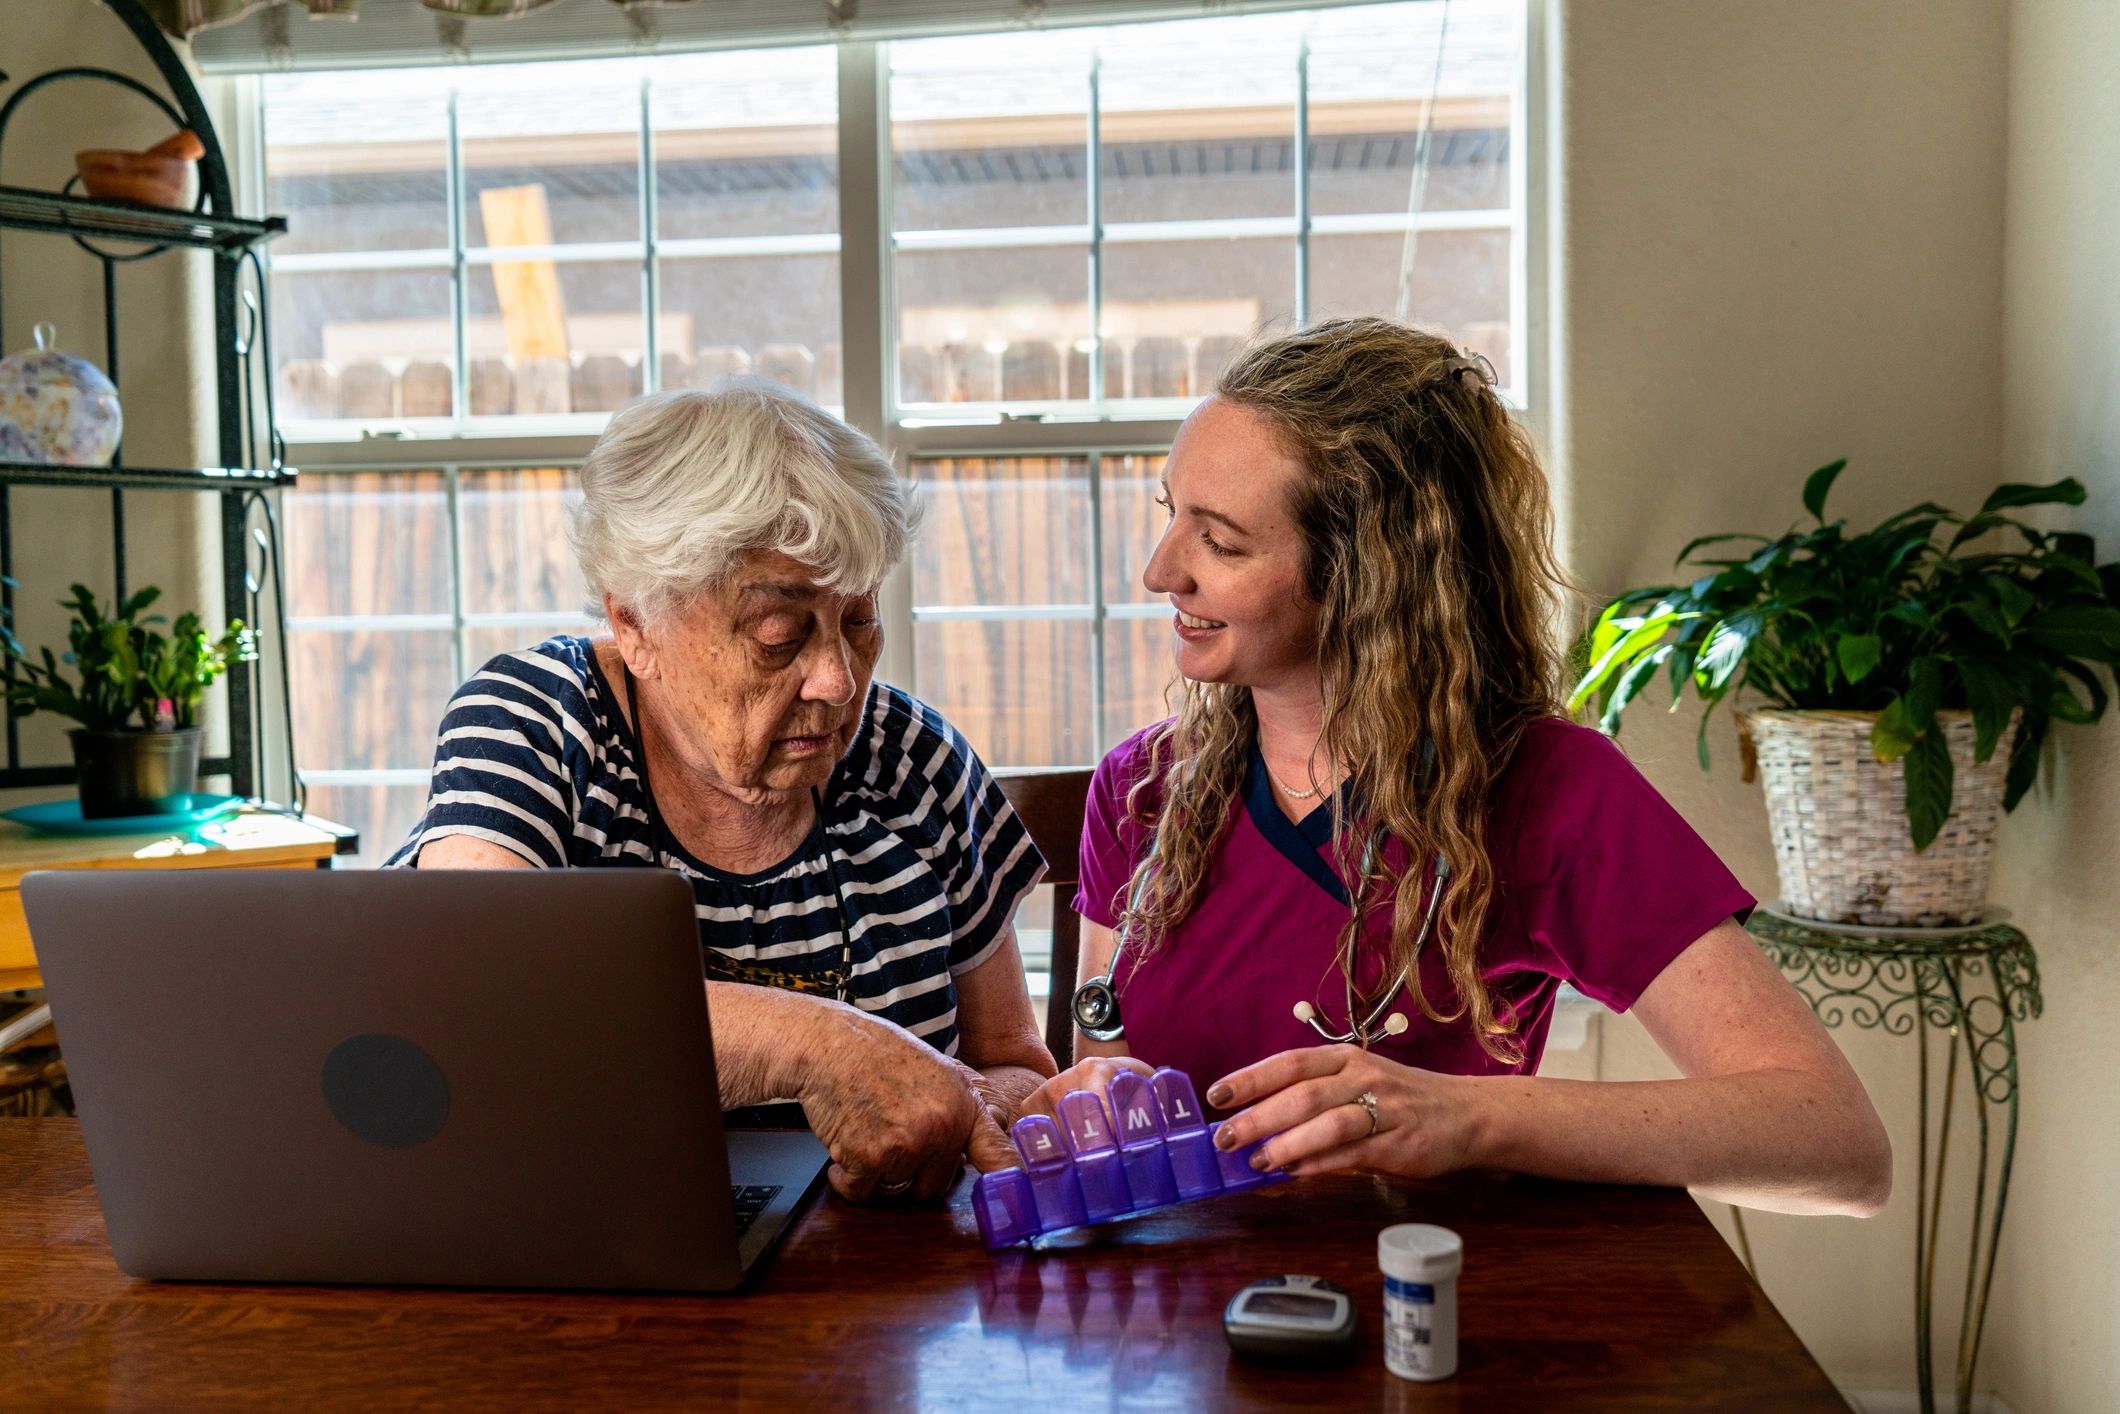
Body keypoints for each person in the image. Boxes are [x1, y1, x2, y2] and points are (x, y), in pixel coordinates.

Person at [1027, 318, 1893, 1217]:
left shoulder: (1549, 793)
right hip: (1179, 1336)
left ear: (1370, 575)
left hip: (1426, 1313)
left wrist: (1471, 1120)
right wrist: (1100, 1098)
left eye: (1224, 542)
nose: (1159, 570)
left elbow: (1837, 1143)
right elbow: (1109, 1064)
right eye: (1173, 515)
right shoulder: (1141, 790)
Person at [388, 381, 1054, 1202]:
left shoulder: (915, 761)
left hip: (880, 1286)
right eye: (780, 636)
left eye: (859, 620)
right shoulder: (537, 721)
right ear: (636, 626)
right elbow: (476, 985)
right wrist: (823, 1046)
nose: (839, 681)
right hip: (587, 1245)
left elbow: (1016, 1066)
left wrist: (966, 1111)